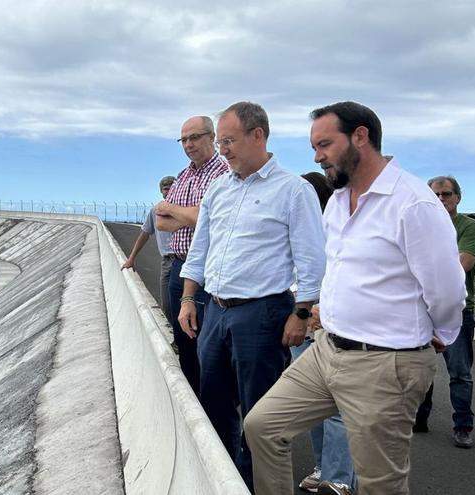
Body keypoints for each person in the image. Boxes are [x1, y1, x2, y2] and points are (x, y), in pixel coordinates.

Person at [244, 101, 466, 495]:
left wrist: (442, 335)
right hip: (327, 350)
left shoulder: (412, 203)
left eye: (325, 144)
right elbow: (340, 269)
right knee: (263, 426)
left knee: (380, 484)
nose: (317, 156)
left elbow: (447, 289)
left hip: (384, 363)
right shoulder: (337, 201)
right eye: (315, 146)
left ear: (360, 137)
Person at [177, 101, 326, 489]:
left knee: (260, 413)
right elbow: (201, 249)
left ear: (257, 135)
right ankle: (221, 477)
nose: (222, 149)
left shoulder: (294, 190)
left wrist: (302, 312)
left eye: (228, 141)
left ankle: (252, 483)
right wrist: (188, 298)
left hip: (262, 314)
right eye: (221, 142)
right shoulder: (218, 189)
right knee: (214, 403)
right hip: (216, 311)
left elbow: (312, 258)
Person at [154, 116, 229, 392]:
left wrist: (179, 211)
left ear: (212, 138)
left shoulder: (221, 173)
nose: (188, 144)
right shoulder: (184, 175)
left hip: (205, 271)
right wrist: (191, 215)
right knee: (183, 339)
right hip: (178, 268)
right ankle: (191, 398)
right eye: (183, 139)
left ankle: (210, 407)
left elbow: (205, 217)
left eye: (195, 137)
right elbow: (160, 220)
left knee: (206, 342)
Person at [294, 172, 357, 494]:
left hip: (333, 329)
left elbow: (348, 276)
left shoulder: (338, 230)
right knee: (313, 408)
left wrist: (322, 310)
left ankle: (340, 478)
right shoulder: (297, 230)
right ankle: (323, 469)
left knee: (335, 410)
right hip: (302, 327)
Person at [413, 175, 475, 449]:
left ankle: (463, 426)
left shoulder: (469, 227)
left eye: (447, 194)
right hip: (422, 311)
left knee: (459, 373)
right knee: (422, 369)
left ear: (458, 197)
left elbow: (461, 266)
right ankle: (420, 417)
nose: (441, 199)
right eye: (436, 195)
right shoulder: (420, 227)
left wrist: (423, 268)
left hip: (457, 311)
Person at [122, 176, 177, 334]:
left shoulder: (184, 209)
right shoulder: (155, 211)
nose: (168, 191)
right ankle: (176, 338)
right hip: (167, 261)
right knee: (167, 305)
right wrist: (131, 258)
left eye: (171, 187)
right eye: (165, 189)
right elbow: (144, 234)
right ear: (161, 192)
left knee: (188, 303)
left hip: (185, 260)